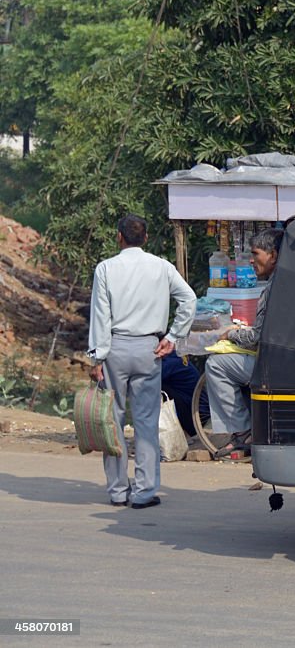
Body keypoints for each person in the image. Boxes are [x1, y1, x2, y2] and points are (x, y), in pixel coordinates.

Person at [87, 214, 196, 509]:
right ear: (145, 238)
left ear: (118, 237)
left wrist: (97, 355)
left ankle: (118, 491)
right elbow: (189, 299)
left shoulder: (106, 268)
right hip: (150, 348)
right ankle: (144, 492)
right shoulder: (161, 267)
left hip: (115, 349)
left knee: (113, 421)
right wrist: (173, 336)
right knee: (146, 422)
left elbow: (100, 315)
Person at [204, 228, 284, 458]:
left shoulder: (273, 289)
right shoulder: (284, 283)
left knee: (216, 364)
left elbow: (257, 337)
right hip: (283, 359)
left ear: (274, 255)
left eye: (256, 253)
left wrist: (231, 334)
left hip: (273, 366)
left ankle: (242, 430)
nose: (251, 259)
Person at [160, 351, 206, 436]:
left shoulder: (171, 362)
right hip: (199, 412)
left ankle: (180, 433)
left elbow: (149, 377)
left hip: (195, 418)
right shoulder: (177, 356)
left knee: (158, 386)